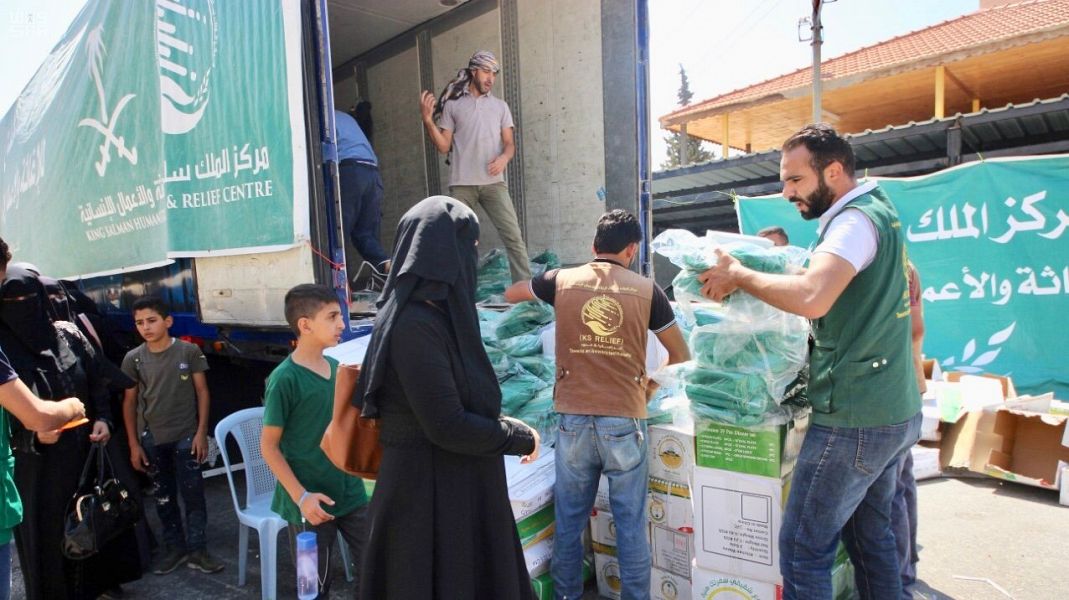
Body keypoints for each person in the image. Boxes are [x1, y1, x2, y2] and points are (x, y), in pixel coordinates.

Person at [698, 124, 922, 599]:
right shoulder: (877, 213)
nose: (786, 192)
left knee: (803, 549)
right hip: (892, 408)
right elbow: (824, 281)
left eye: (795, 180)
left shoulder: (853, 222)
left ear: (834, 172)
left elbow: (814, 297)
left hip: (854, 418)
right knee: (868, 538)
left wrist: (738, 273)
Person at [355, 196, 540, 599]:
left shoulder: (437, 318)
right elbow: (447, 425)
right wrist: (514, 437)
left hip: (456, 492)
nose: (472, 258)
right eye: (470, 247)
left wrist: (506, 424)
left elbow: (457, 398)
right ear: (442, 255)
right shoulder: (414, 327)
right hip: (428, 504)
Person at [505, 209, 689, 600]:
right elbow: (680, 355)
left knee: (569, 523)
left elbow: (514, 292)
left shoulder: (561, 280)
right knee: (630, 525)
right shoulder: (647, 290)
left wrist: (541, 296)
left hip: (572, 419)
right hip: (624, 419)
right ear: (632, 249)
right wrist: (649, 388)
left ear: (593, 247)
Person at [0, 265, 129, 600]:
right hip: (37, 470)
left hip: (84, 451)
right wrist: (33, 438)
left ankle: (100, 587)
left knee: (95, 521)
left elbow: (97, 376)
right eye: (11, 300)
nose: (21, 305)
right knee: (49, 542)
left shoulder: (67, 333)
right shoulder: (4, 353)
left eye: (28, 297)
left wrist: (104, 418)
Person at [261, 284, 369, 598]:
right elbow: (268, 447)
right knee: (313, 586)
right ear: (305, 325)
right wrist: (302, 497)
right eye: (333, 316)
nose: (342, 325)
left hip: (350, 494)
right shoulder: (285, 379)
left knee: (377, 565)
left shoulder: (338, 369)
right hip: (309, 504)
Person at [0, 238, 87, 600]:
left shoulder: (64, 333)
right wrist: (73, 408)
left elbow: (98, 373)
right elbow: (34, 415)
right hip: (29, 470)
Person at [121, 297, 224, 576]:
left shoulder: (188, 352)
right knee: (163, 497)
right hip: (152, 439)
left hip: (186, 437)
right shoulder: (134, 359)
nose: (146, 327)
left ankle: (198, 550)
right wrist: (133, 444)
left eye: (152, 320)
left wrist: (201, 433)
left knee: (194, 495)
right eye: (140, 323)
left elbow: (202, 392)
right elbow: (129, 403)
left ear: (167, 321)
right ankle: (175, 549)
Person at [419, 50, 532, 282]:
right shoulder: (453, 106)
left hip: (494, 184)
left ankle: (526, 292)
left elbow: (510, 144)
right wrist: (429, 121)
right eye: (486, 71)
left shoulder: (501, 107)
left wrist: (503, 158)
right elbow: (443, 146)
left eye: (494, 73)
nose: (491, 78)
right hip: (462, 185)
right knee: (458, 242)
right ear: (474, 72)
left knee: (513, 236)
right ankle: (458, 292)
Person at [892, 262, 926, 599]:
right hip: (910, 385)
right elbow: (917, 328)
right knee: (904, 482)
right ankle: (908, 562)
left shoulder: (880, 265)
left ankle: (900, 575)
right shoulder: (907, 266)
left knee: (891, 493)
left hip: (892, 389)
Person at [336, 108, 391, 274]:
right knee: (365, 234)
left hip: (350, 171)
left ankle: (338, 286)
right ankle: (390, 267)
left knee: (338, 234)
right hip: (372, 173)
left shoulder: (322, 118)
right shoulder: (345, 117)